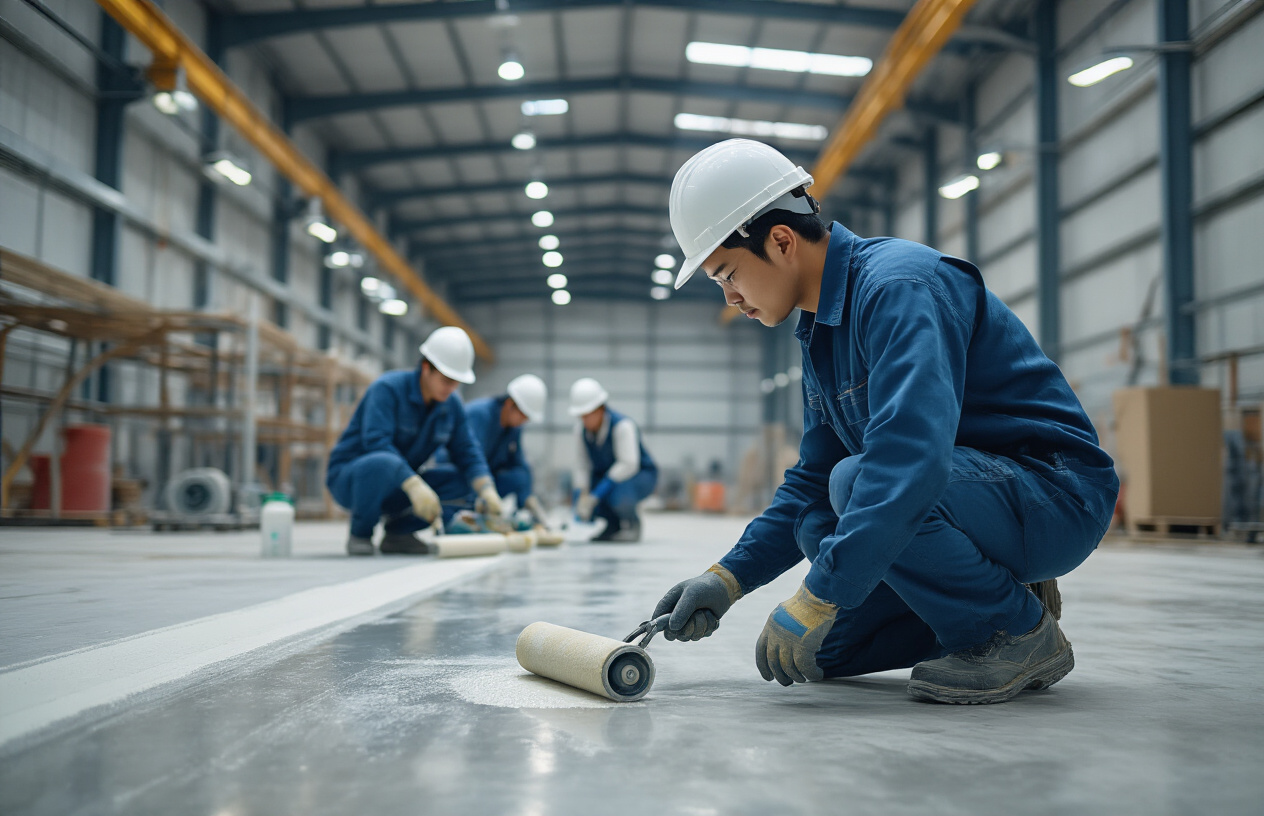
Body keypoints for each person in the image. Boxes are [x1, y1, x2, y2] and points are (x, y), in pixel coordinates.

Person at [652, 139, 1119, 704]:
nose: (730, 298)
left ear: (780, 241)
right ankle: (991, 598)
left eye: (727, 273)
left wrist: (820, 592)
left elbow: (909, 459)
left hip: (1053, 495)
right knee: (823, 642)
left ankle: (1012, 630)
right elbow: (808, 481)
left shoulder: (898, 288)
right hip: (971, 497)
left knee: (857, 482)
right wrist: (727, 579)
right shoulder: (821, 332)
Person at [325, 326, 503, 556]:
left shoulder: (451, 404)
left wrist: (486, 488)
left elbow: (467, 451)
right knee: (381, 462)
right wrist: (413, 483)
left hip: (400, 485)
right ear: (426, 368)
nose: (452, 388)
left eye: (456, 381)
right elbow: (377, 443)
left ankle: (399, 535)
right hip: (353, 479)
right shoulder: (387, 389)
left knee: (461, 480)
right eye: (447, 380)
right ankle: (360, 533)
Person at [427, 374, 552, 527]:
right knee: (461, 486)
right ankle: (461, 517)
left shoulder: (513, 429)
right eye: (523, 415)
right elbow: (469, 459)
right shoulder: (479, 415)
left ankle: (491, 511)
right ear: (510, 404)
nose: (524, 421)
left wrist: (528, 498)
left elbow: (519, 464)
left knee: (519, 476)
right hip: (460, 475)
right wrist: (482, 489)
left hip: (486, 481)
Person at [569, 378, 658, 542]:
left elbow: (629, 463)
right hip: (608, 476)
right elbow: (582, 465)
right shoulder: (580, 431)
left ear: (601, 408)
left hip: (638, 476)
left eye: (588, 415)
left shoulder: (622, 426)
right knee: (593, 499)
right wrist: (580, 497)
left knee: (618, 494)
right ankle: (612, 526)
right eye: (582, 416)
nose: (585, 420)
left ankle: (632, 525)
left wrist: (598, 493)